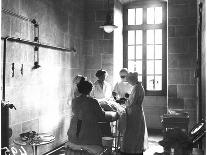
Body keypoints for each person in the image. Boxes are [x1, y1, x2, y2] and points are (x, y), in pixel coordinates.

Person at [67, 80, 119, 145]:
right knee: (105, 129)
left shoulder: (74, 101)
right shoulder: (93, 101)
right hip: (88, 129)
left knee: (76, 145)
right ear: (90, 90)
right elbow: (101, 116)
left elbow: (76, 112)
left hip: (74, 127)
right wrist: (107, 111)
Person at [120, 72, 148, 155]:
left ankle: (132, 149)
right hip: (136, 111)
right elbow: (133, 98)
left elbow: (132, 101)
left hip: (134, 112)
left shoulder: (137, 87)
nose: (129, 83)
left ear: (132, 80)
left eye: (129, 81)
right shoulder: (138, 86)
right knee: (136, 130)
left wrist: (125, 101)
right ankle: (135, 148)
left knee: (133, 131)